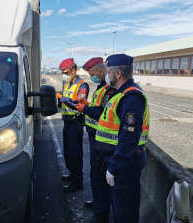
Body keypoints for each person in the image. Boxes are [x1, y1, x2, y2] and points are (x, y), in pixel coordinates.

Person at [95, 54, 150, 223]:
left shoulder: (131, 97)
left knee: (125, 211)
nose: (107, 75)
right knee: (118, 207)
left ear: (118, 73)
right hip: (119, 160)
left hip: (126, 163)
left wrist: (115, 166)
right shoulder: (121, 93)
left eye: (109, 72)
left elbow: (129, 137)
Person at [75, 57, 115, 223]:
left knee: (98, 175)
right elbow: (97, 107)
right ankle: (99, 203)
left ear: (101, 71)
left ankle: (101, 212)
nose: (91, 77)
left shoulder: (108, 90)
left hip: (101, 138)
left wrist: (86, 109)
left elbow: (101, 112)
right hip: (94, 136)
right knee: (95, 173)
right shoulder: (100, 88)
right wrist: (87, 104)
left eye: (92, 74)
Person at [56, 58, 90, 193]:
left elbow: (78, 103)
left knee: (75, 153)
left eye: (65, 72)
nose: (64, 74)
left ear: (73, 71)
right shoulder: (68, 84)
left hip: (75, 124)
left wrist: (62, 98)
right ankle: (72, 174)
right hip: (67, 122)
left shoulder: (82, 86)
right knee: (68, 152)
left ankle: (78, 181)